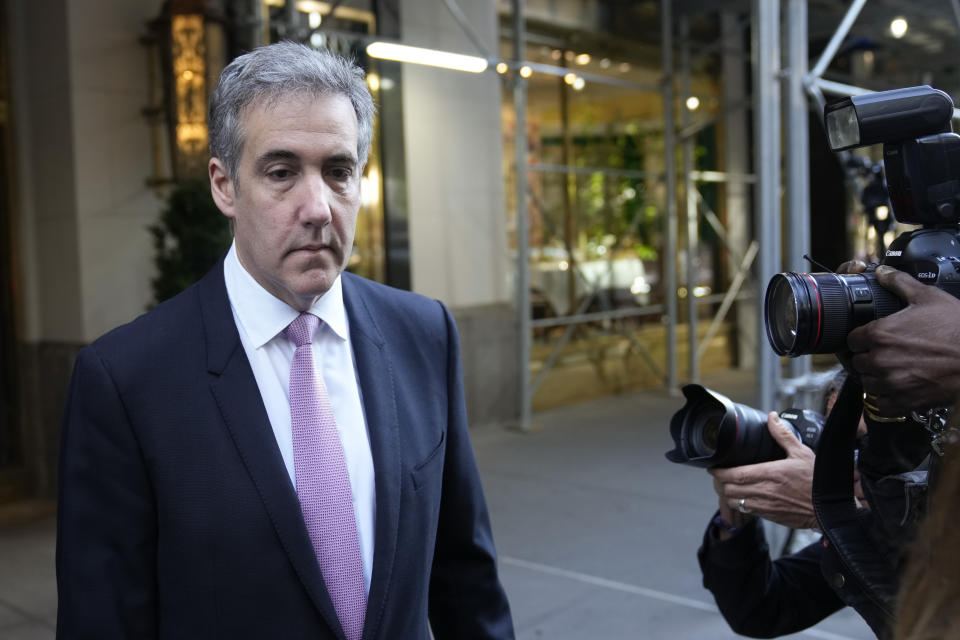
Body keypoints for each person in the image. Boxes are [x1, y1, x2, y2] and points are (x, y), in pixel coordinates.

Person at [56, 42, 515, 640]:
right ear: (224, 186)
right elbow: (104, 621)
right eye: (281, 172)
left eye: (338, 171)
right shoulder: (125, 380)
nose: (318, 207)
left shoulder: (424, 333)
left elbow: (465, 579)